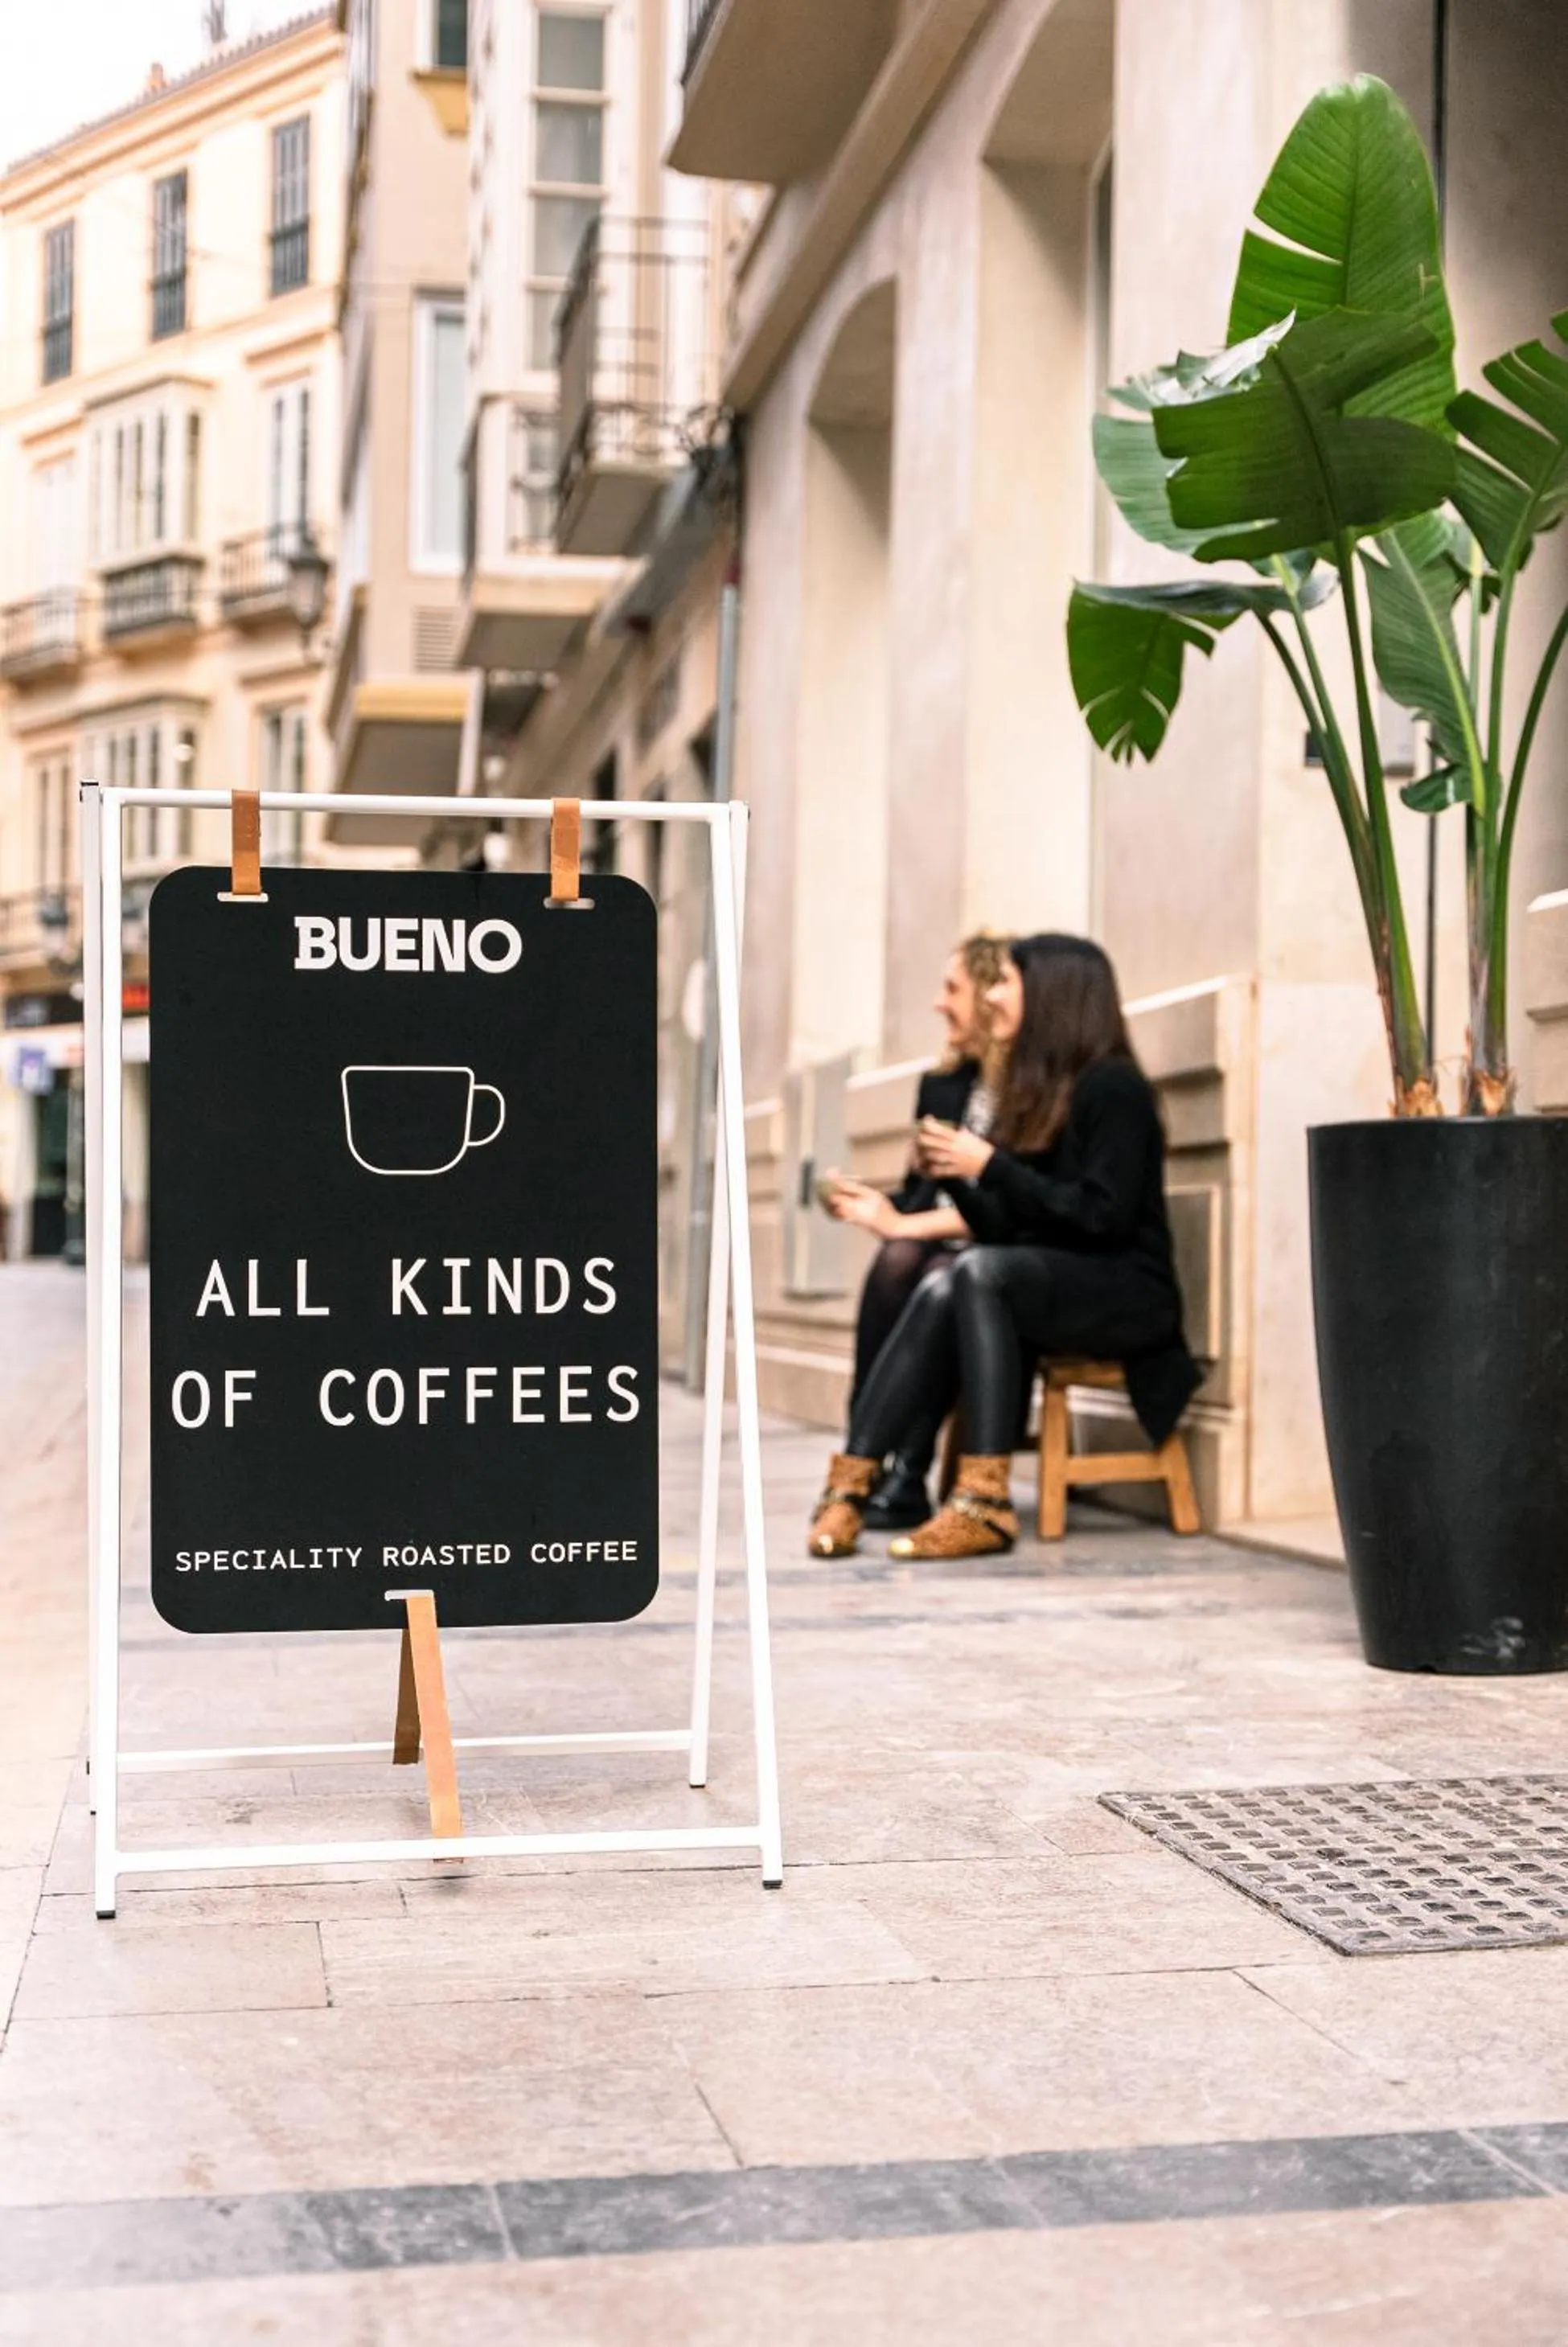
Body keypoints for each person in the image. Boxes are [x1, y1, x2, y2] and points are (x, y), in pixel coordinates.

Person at [808, 933, 1201, 1561]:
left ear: (1051, 995)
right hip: (1061, 1278)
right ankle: (853, 1482)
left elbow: (1102, 1218)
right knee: (948, 1279)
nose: (994, 994)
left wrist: (992, 1165)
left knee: (978, 1272)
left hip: (1128, 1291)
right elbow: (1005, 1227)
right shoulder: (1042, 1091)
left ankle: (984, 1500)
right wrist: (954, 1172)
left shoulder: (1114, 1088)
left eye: (1007, 982)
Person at [821, 931, 1012, 1529]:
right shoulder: (943, 1085)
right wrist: (867, 1202)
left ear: (985, 994)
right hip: (939, 1242)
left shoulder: (1030, 1087)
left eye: (951, 988)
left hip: (1001, 1244)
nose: (938, 1003)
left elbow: (1007, 1200)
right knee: (904, 1261)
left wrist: (901, 1222)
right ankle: (875, 1459)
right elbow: (920, 1191)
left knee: (931, 1269)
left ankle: (898, 1466)